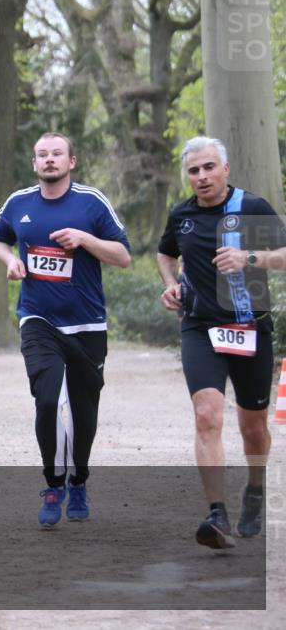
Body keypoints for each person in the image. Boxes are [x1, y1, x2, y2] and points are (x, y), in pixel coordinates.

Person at [0, 132, 130, 528]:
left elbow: (123, 256)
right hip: (37, 319)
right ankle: (53, 484)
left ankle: (79, 479)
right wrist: (10, 260)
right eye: (42, 155)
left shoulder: (91, 202)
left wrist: (85, 239)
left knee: (84, 413)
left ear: (72, 161)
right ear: (34, 163)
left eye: (56, 154)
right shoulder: (18, 203)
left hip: (87, 323)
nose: (49, 160)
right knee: (48, 400)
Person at [156, 136, 286, 549]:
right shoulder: (182, 215)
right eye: (194, 171)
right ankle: (217, 514)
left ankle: (255, 487)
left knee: (253, 427)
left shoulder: (251, 207)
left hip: (251, 326)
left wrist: (251, 258)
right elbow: (164, 253)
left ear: (225, 169)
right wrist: (171, 285)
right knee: (207, 414)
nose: (202, 177)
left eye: (209, 167)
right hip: (199, 327)